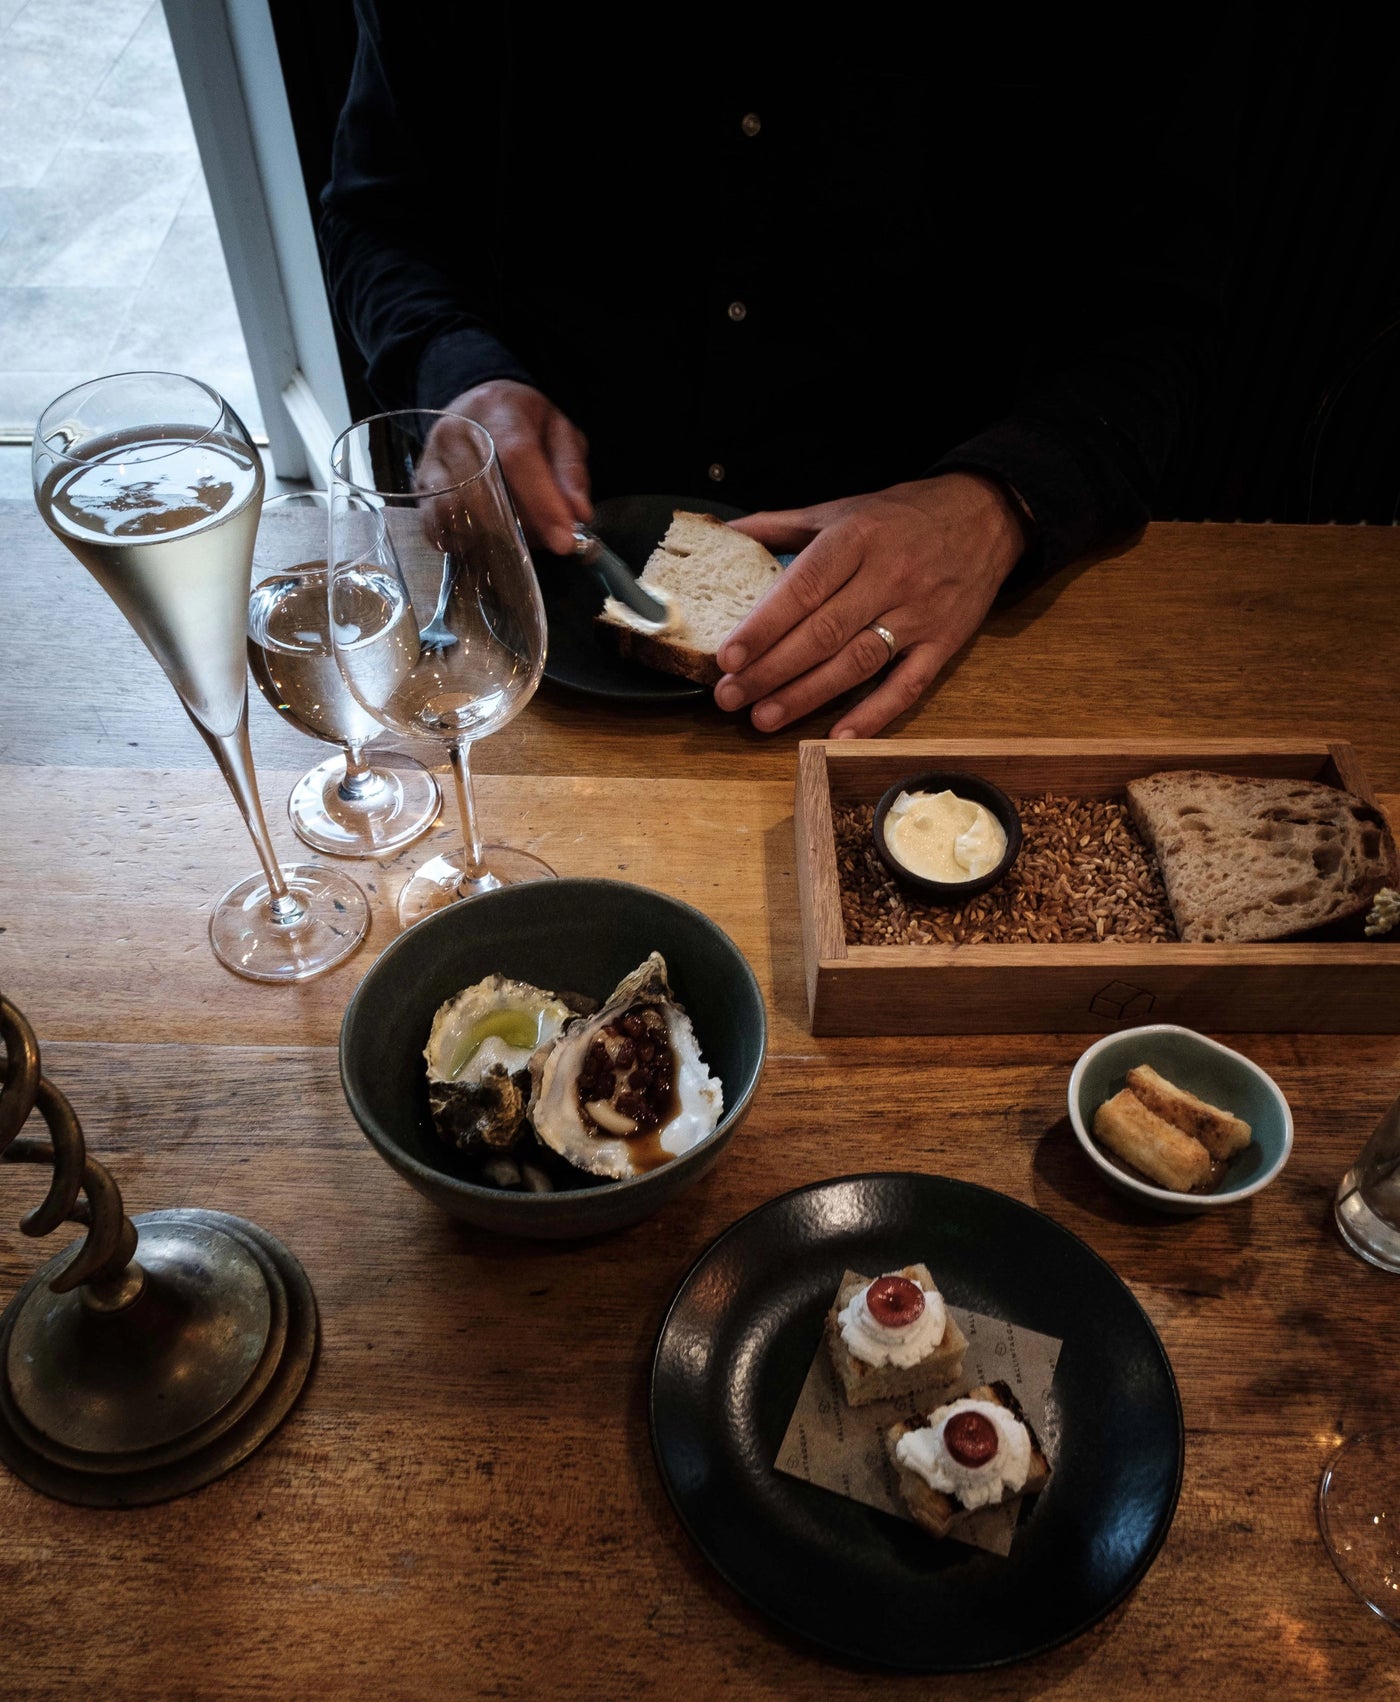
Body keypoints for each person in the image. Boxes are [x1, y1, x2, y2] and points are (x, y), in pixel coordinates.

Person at [320, 8, 1235, 736]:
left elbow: (1165, 319)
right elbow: (378, 215)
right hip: (513, 636)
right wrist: (459, 369)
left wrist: (1001, 503)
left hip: (940, 637)